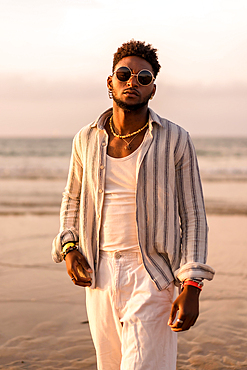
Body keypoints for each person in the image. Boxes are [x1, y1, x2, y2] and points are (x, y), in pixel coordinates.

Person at [52, 40, 215, 370]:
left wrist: (193, 283)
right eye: (124, 74)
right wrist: (69, 248)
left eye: (143, 77)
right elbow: (72, 199)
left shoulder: (176, 139)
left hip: (153, 275)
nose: (132, 82)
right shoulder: (85, 139)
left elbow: (194, 214)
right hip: (99, 276)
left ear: (153, 89)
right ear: (110, 81)